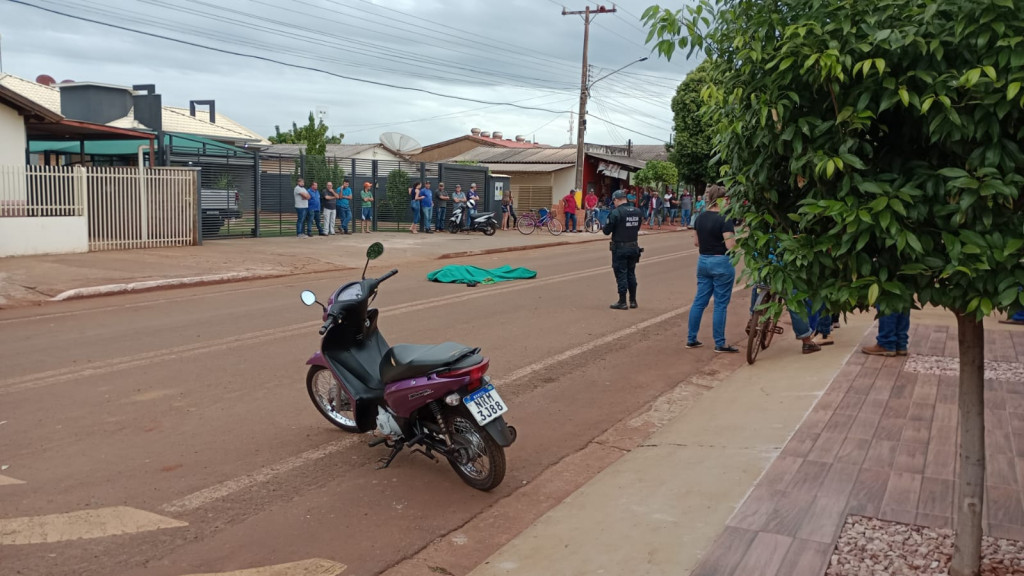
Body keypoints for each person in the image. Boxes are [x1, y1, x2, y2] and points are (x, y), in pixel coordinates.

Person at [686, 185, 738, 353]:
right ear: (723, 200)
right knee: (720, 304)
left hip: (703, 261)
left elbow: (696, 242)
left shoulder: (700, 218)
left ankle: (691, 338)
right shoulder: (725, 218)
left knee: (699, 301)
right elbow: (730, 244)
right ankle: (720, 343)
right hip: (721, 261)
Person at [602, 190, 643, 309]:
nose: (613, 203)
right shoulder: (637, 211)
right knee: (631, 273)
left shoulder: (616, 212)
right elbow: (637, 227)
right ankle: (633, 301)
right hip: (634, 246)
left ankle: (622, 301)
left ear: (617, 200)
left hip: (620, 248)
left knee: (621, 274)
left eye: (614, 201)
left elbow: (606, 231)